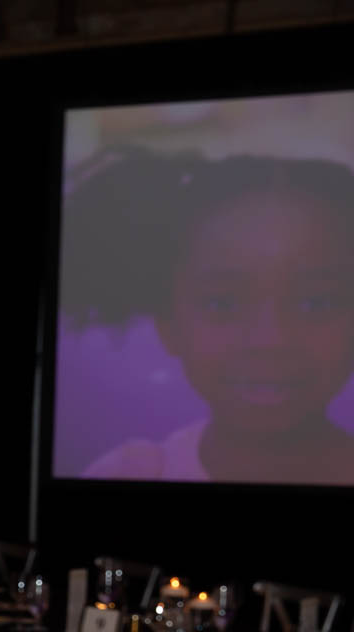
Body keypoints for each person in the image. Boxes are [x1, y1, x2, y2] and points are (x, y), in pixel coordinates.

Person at [62, 148, 354, 484]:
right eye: (222, 304)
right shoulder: (129, 473)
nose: (270, 340)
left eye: (316, 303)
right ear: (168, 325)